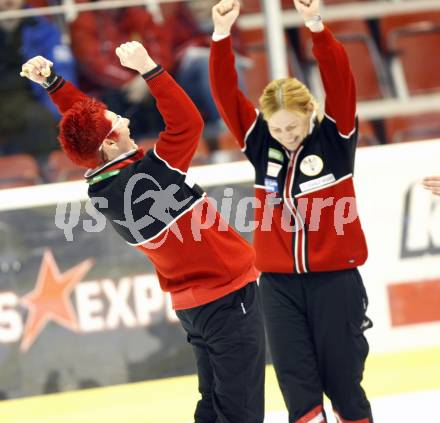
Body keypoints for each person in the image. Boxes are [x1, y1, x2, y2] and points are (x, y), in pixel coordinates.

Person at [21, 41, 265, 423]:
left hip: (195, 307)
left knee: (214, 405)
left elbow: (86, 125)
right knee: (241, 412)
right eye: (120, 123)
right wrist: (149, 67)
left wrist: (54, 84)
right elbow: (188, 123)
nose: (127, 122)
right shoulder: (147, 182)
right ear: (109, 142)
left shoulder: (106, 184)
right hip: (228, 299)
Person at [209, 0, 373, 422]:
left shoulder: (335, 140)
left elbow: (340, 80)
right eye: (278, 128)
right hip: (278, 288)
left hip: (335, 284)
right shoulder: (261, 145)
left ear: (309, 114)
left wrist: (314, 25)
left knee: (345, 390)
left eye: (293, 127)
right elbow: (227, 94)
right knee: (299, 395)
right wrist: (221, 37)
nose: (286, 136)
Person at [69, 0, 172, 139]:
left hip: (146, 85)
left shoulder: (141, 16)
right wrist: (132, 82)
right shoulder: (84, 22)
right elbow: (94, 64)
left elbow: (161, 53)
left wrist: (147, 79)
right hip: (108, 92)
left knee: (165, 92)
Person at [0, 0, 77, 159]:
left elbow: (62, 72)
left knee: (42, 120)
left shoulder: (43, 28)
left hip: (30, 98)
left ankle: (46, 173)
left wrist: (57, 109)